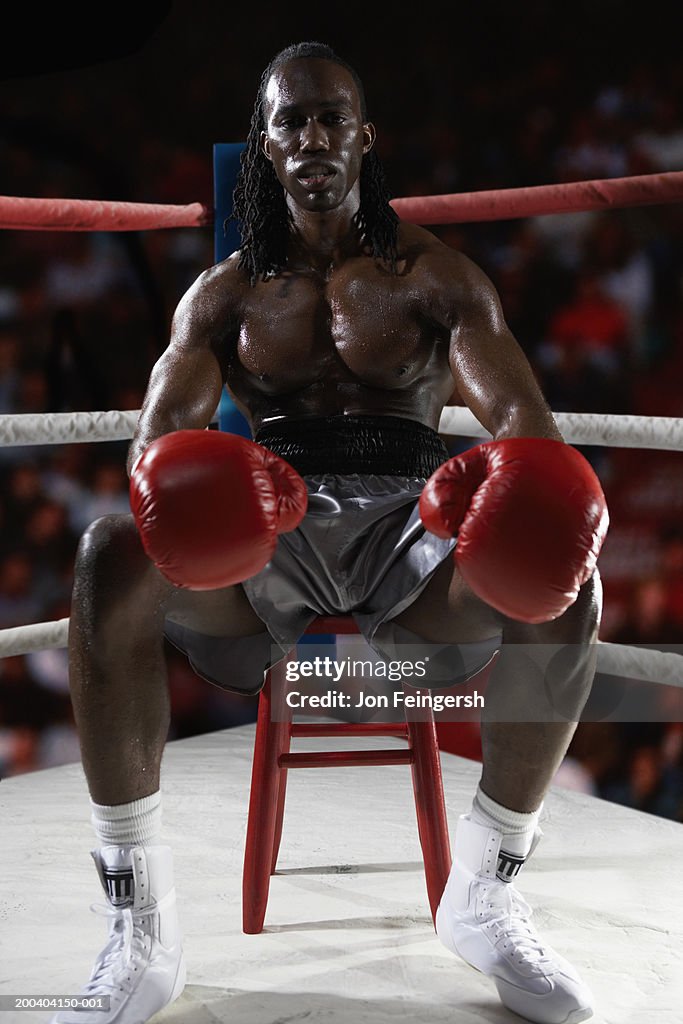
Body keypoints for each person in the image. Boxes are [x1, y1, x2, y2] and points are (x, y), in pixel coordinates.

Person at [53, 41, 608, 1024]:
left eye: (328, 117)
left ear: (363, 136)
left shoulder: (435, 280)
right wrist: (203, 494)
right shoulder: (221, 297)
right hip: (268, 525)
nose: (309, 135)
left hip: (412, 528)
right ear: (265, 145)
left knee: (575, 589)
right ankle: (141, 923)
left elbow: (526, 429)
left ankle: (486, 890)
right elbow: (155, 446)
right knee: (107, 557)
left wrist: (490, 490)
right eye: (289, 119)